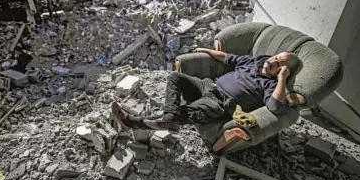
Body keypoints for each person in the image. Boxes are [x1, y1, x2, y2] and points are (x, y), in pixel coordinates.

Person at [112, 48, 301, 132]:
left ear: (282, 70)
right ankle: (170, 117)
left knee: (186, 112)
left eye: (280, 64)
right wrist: (206, 50)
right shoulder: (254, 61)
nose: (274, 61)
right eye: (276, 57)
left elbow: (276, 107)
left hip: (221, 103)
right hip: (208, 86)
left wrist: (282, 79)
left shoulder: (272, 85)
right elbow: (227, 57)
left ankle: (132, 122)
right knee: (175, 77)